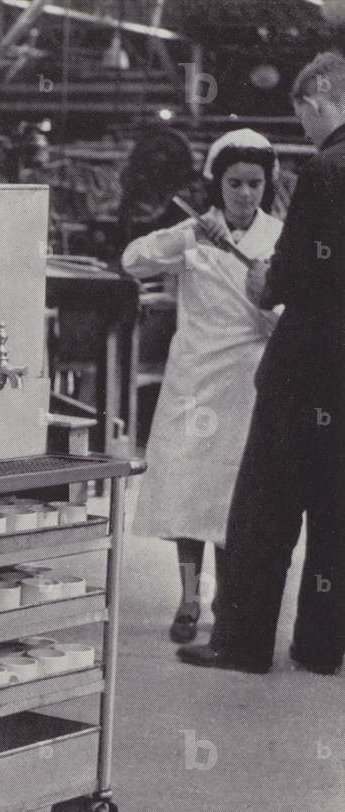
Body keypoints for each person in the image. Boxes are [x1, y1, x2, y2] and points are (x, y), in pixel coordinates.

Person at [178, 52, 345, 675]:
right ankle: (322, 646)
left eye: (300, 115)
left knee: (263, 511)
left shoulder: (326, 171)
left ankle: (243, 644)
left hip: (304, 369)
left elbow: (289, 277)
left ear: (313, 103)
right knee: (336, 513)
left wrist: (263, 279)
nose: (302, 128)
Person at [123, 129, 283, 643]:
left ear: (267, 184)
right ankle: (189, 597)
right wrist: (184, 236)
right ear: (218, 184)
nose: (244, 193)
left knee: (235, 497)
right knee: (188, 496)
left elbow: (301, 305)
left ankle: (226, 601)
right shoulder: (193, 234)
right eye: (235, 183)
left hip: (248, 380)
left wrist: (274, 309)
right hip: (194, 379)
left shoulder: (280, 237)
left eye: (255, 183)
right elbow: (133, 260)